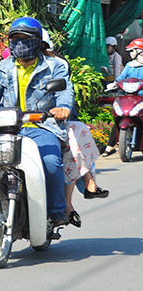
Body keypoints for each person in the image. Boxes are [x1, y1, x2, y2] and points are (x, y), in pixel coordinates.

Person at [0, 17, 74, 230]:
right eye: (15, 39)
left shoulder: (55, 66)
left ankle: (55, 210)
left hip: (42, 127)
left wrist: (63, 108)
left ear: (38, 40)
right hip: (7, 128)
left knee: (51, 162)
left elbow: (64, 91)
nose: (20, 43)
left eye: (26, 38)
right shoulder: (2, 67)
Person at [41, 30, 108, 227]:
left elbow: (65, 95)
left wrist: (62, 109)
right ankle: (87, 182)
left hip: (56, 123)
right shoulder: (10, 68)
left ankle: (68, 202)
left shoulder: (58, 67)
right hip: (23, 124)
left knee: (72, 140)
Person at [102, 38, 143, 156]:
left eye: (133, 50)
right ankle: (110, 146)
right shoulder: (130, 65)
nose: (130, 53)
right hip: (129, 97)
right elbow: (121, 78)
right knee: (119, 117)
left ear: (140, 51)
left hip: (141, 98)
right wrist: (114, 84)